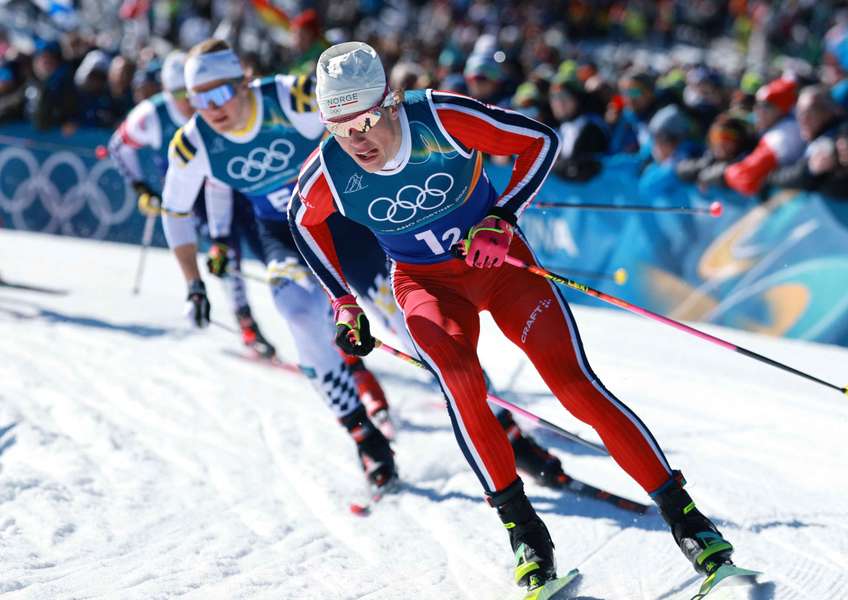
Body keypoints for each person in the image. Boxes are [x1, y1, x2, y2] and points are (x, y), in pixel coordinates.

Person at [289, 41, 735, 592]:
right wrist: (343, 301)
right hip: (425, 283)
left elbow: (541, 142)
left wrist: (502, 217)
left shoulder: (442, 118)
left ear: (391, 102)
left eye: (364, 120)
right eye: (338, 126)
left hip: (500, 265)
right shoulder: (330, 168)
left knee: (573, 386)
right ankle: (526, 536)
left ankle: (690, 523)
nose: (355, 138)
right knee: (460, 382)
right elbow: (302, 220)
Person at [159, 39, 407, 491]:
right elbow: (173, 211)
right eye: (199, 98)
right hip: (284, 234)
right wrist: (193, 283)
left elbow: (366, 127)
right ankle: (365, 437)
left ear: (244, 81)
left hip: (342, 221)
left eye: (220, 94)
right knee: (296, 313)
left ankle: (496, 416)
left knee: (401, 318)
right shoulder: (193, 143)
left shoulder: (289, 99)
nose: (211, 108)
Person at [107, 50, 276, 358]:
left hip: (231, 181)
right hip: (191, 196)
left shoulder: (213, 109)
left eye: (193, 93)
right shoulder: (151, 115)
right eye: (179, 95)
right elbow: (118, 146)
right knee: (225, 251)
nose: (188, 102)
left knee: (266, 245)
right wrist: (140, 187)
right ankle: (245, 320)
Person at [724, 77, 804, 196]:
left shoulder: (779, 138)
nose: (756, 109)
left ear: (780, 109)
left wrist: (725, 171)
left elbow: (746, 179)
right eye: (756, 104)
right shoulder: (792, 123)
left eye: (764, 105)